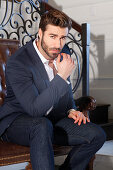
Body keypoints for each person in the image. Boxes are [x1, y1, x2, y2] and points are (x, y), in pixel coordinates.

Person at [0, 9, 106, 170]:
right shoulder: (19, 62)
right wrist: (61, 76)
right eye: (53, 36)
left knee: (97, 135)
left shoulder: (63, 51)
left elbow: (66, 92)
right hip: (17, 122)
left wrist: (71, 109)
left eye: (63, 37)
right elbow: (34, 109)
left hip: (52, 119)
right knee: (41, 126)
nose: (58, 44)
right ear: (40, 33)